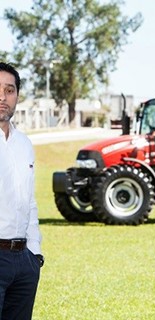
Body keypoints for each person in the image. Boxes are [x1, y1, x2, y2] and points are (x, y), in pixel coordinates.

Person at [0, 62, 44, 320]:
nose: (2, 97)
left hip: (23, 262)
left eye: (9, 90)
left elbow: (29, 201)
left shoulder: (24, 144)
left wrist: (35, 254)